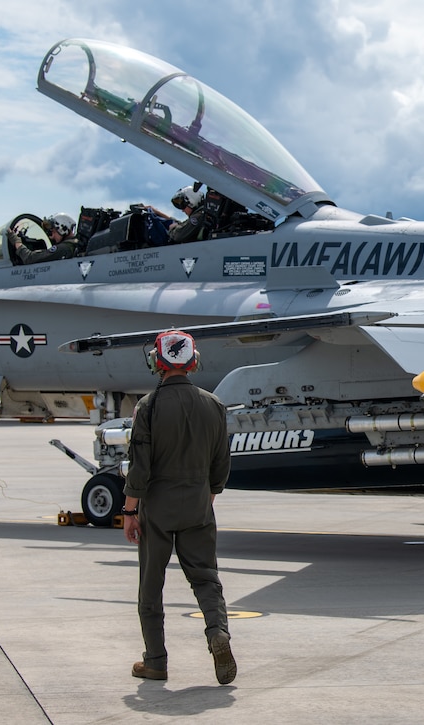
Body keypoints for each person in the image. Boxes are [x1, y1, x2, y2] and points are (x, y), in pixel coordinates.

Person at [122, 330, 236, 685]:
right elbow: (221, 463)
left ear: (157, 361)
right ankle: (217, 632)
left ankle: (155, 661)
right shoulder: (214, 405)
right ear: (193, 361)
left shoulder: (148, 406)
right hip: (199, 504)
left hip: (157, 507)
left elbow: (139, 468)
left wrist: (129, 512)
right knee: (205, 578)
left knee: (151, 585)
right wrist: (208, 495)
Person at [167, 183, 246, 244]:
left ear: (191, 202)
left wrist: (172, 229)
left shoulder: (199, 216)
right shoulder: (204, 213)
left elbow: (178, 235)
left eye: (183, 206)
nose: (182, 210)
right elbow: (184, 225)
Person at [12, 213, 78, 263]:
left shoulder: (64, 248)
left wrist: (17, 242)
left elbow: (30, 258)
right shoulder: (75, 244)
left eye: (53, 232)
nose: (51, 237)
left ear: (62, 229)